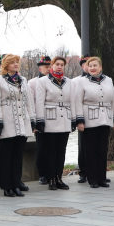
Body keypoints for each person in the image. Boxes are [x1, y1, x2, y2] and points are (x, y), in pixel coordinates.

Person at [0, 54, 35, 197]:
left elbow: (29, 101)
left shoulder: (23, 80)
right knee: (5, 156)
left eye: (17, 62)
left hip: (22, 122)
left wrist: (32, 118)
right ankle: (6, 186)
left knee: (17, 156)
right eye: (12, 62)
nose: (16, 64)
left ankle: (16, 184)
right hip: (6, 121)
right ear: (5, 64)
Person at [34, 56, 75, 190]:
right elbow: (39, 101)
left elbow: (72, 101)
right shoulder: (43, 81)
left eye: (62, 64)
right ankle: (50, 178)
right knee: (50, 151)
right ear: (51, 66)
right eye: (57, 64)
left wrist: (74, 119)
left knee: (61, 151)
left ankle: (59, 177)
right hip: (50, 118)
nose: (59, 66)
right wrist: (39, 120)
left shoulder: (68, 82)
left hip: (64, 119)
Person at [75, 57, 114, 188]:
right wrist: (80, 120)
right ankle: (92, 178)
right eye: (90, 66)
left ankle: (102, 177)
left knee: (102, 150)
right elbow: (78, 101)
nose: (92, 68)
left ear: (101, 67)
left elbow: (113, 100)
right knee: (90, 150)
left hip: (105, 118)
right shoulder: (82, 81)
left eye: (95, 65)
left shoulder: (108, 80)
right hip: (89, 119)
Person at [29, 56, 52, 186]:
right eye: (46, 67)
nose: (48, 69)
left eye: (50, 66)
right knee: (41, 148)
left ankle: (52, 172)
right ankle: (42, 174)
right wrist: (34, 121)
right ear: (40, 68)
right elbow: (31, 103)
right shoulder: (33, 83)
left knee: (52, 149)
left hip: (54, 119)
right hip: (39, 120)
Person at [73, 55, 91, 184]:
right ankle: (83, 172)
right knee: (83, 146)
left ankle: (96, 172)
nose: (88, 66)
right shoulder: (75, 81)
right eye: (85, 63)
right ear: (82, 66)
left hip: (96, 117)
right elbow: (75, 100)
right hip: (82, 116)